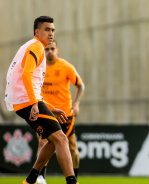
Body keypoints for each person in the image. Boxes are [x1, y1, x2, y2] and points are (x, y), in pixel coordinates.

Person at [5, 16, 78, 184]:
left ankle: (30, 180)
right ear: (37, 32)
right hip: (27, 103)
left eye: (52, 30)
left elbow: (31, 84)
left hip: (25, 102)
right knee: (61, 139)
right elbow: (26, 75)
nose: (51, 33)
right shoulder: (37, 46)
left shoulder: (32, 46)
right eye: (47, 29)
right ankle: (72, 181)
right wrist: (35, 103)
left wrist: (50, 107)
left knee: (53, 141)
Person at [36, 40, 85, 184]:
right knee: (42, 142)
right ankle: (41, 177)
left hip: (65, 113)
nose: (49, 51)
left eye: (52, 49)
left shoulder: (66, 67)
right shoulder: (39, 68)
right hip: (47, 112)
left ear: (57, 50)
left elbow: (80, 85)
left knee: (71, 146)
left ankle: (74, 178)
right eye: (47, 49)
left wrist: (76, 104)